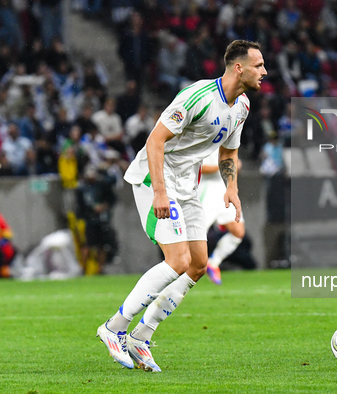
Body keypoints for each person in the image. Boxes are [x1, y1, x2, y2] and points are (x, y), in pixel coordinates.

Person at [96, 40, 266, 372]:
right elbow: (155, 140)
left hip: (188, 184)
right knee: (177, 261)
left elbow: (228, 153)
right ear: (239, 68)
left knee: (198, 265)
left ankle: (141, 337)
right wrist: (160, 192)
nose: (265, 72)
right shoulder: (197, 97)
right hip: (155, 178)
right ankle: (114, 327)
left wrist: (232, 188)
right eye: (259, 66)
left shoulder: (242, 106)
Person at [199, 149, 245, 285]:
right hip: (206, 191)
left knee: (238, 232)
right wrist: (224, 166)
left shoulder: (225, 138)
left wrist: (236, 166)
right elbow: (198, 168)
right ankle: (180, 268)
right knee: (197, 234)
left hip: (224, 190)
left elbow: (232, 162)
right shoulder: (203, 139)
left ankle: (213, 263)